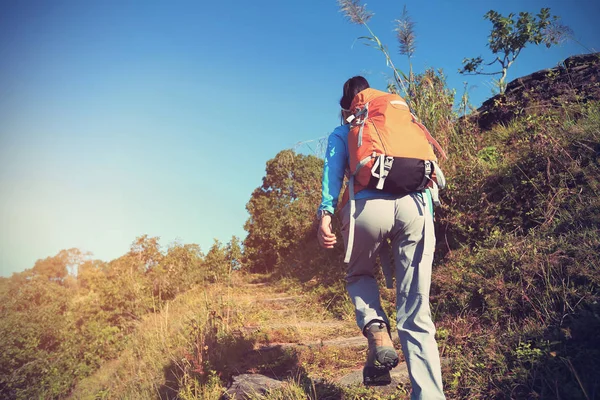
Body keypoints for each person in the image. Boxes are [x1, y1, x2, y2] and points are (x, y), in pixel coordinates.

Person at [317, 76, 445, 399]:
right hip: (416, 206)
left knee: (359, 273)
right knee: (416, 312)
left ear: (347, 106)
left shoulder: (345, 130)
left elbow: (333, 176)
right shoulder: (396, 115)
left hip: (367, 208)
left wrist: (326, 215)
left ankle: (376, 330)